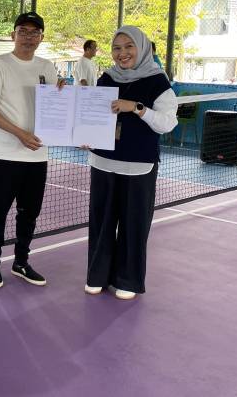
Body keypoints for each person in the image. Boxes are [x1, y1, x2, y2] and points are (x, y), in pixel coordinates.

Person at [85, 26, 177, 300]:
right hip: (103, 163)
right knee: (101, 223)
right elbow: (91, 113)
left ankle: (128, 280)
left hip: (139, 167)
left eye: (128, 46)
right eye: (117, 48)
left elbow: (167, 123)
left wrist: (136, 108)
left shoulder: (158, 82)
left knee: (133, 225)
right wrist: (82, 132)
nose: (122, 53)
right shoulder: (106, 78)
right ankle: (97, 276)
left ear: (142, 48)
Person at [0, 12, 64, 289]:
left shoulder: (47, 66)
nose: (28, 36)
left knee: (29, 213)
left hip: (37, 156)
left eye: (34, 32)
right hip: (6, 155)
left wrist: (65, 95)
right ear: (13, 34)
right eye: (23, 31)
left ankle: (21, 262)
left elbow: (53, 107)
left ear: (41, 37)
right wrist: (20, 134)